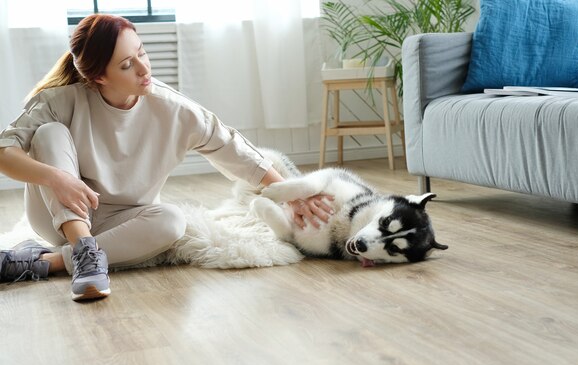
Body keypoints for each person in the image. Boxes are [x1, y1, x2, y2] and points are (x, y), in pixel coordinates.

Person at [0, 14, 333, 301]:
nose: (144, 68)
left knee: (173, 220)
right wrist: (56, 178)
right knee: (49, 134)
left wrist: (291, 195)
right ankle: (83, 251)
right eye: (127, 65)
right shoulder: (61, 100)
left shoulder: (172, 109)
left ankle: (47, 262)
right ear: (98, 77)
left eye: (141, 52)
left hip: (123, 222)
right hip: (55, 215)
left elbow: (234, 149)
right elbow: (4, 152)